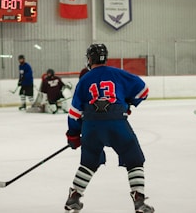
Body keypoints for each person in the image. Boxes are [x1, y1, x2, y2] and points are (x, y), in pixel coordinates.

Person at [64, 44, 154, 213]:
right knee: (134, 161)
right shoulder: (117, 73)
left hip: (92, 126)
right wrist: (127, 103)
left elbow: (74, 113)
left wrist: (74, 135)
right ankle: (139, 200)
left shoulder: (84, 80)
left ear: (89, 59)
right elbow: (143, 90)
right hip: (116, 123)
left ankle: (74, 197)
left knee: (88, 163)